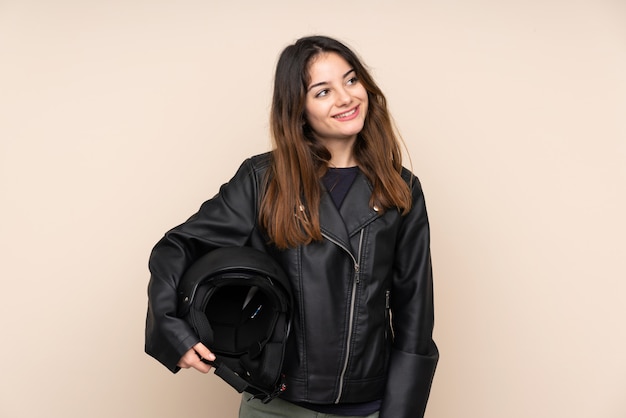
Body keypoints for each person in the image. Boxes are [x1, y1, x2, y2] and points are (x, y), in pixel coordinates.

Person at [145, 35, 438, 418]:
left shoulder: (402, 188)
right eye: (323, 91)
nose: (346, 98)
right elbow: (178, 246)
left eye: (351, 80)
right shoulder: (263, 179)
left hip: (368, 407)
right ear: (298, 108)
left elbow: (414, 315)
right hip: (276, 405)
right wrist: (173, 329)